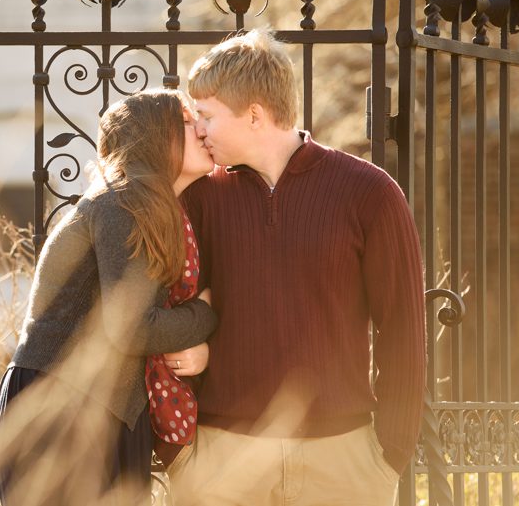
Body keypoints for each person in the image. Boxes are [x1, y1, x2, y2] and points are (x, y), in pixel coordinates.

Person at [167, 29, 426, 506]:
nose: (197, 129)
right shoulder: (200, 199)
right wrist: (180, 457)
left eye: (205, 115)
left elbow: (403, 328)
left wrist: (389, 453)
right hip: (222, 461)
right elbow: (167, 308)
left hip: (343, 461)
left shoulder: (369, 193)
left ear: (254, 115)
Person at [0, 88, 218, 506]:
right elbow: (130, 329)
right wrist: (205, 314)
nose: (201, 130)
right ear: (155, 135)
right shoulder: (122, 202)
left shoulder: (150, 205)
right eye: (186, 121)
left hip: (101, 412)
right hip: (57, 415)